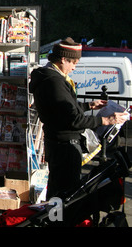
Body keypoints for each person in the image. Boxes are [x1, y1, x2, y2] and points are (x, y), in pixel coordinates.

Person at [29, 38, 128, 200]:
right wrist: (106, 121)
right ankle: (59, 222)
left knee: (58, 192)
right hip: (65, 146)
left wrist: (89, 105)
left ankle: (55, 220)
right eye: (73, 62)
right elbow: (73, 120)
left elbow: (63, 110)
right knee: (66, 194)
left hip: (58, 143)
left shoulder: (49, 78)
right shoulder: (55, 82)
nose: (74, 67)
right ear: (63, 59)